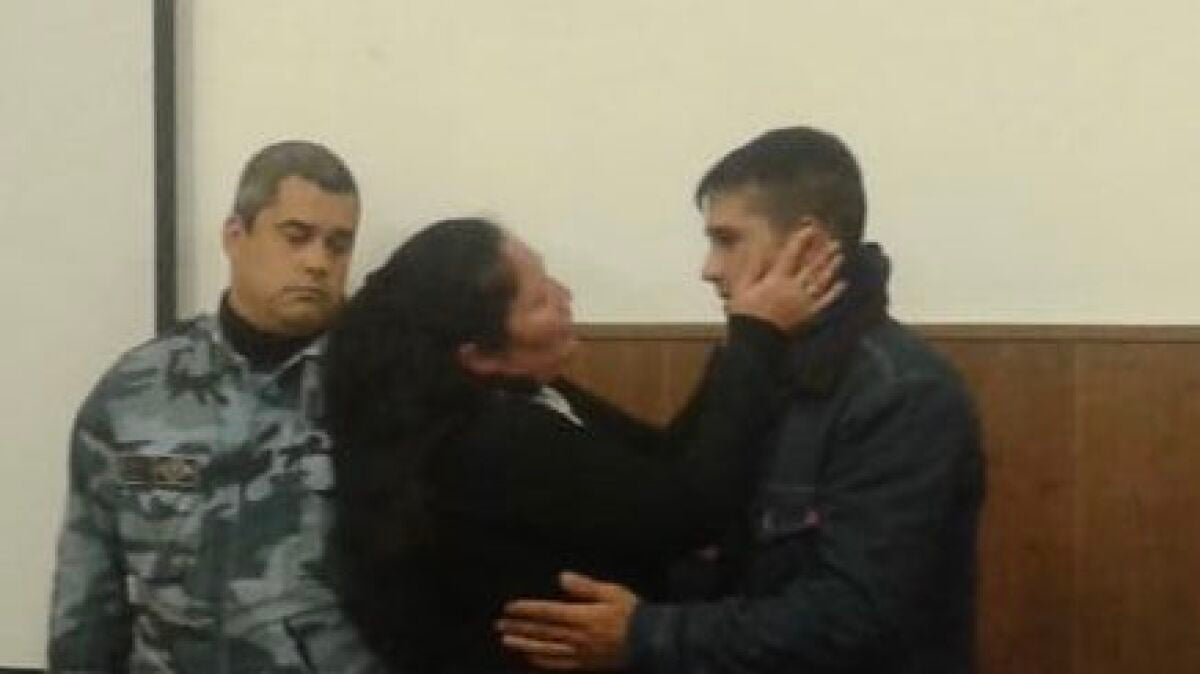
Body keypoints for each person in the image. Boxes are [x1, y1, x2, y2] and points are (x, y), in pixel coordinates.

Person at [499, 126, 986, 674]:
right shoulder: (762, 364)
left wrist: (646, 634)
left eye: (727, 241)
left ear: (807, 245)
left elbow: (853, 616)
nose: (708, 269)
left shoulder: (901, 394)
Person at [321, 216, 843, 673]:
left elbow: (659, 457)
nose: (565, 295)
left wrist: (740, 340)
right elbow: (689, 512)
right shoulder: (489, 439)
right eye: (540, 300)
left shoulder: (524, 391)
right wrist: (757, 339)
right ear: (480, 356)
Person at [47, 141, 385, 672]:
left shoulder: (387, 390)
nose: (318, 262)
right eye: (296, 236)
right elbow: (88, 601)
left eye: (338, 245)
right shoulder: (134, 395)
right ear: (235, 236)